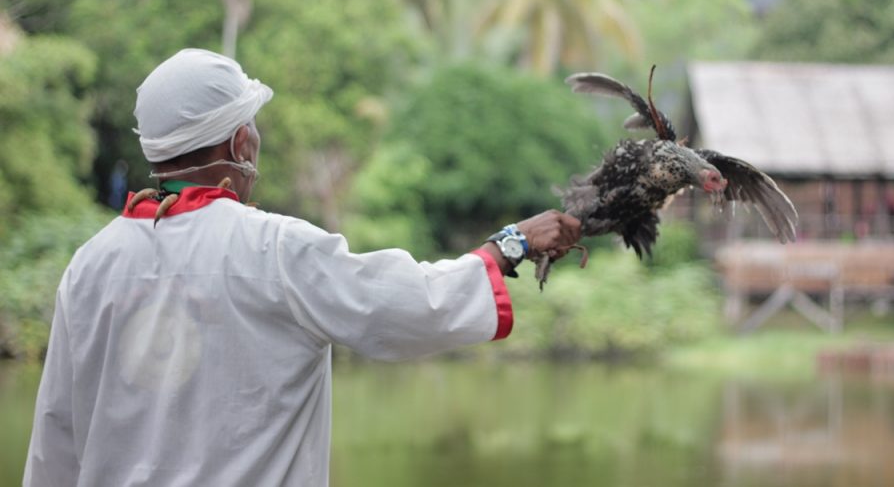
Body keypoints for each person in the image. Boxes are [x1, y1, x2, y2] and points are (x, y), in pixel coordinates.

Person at [24, 48, 581, 486]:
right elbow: (407, 304)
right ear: (242, 142)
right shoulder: (272, 250)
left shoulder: (92, 264)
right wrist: (511, 244)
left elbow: (56, 438)